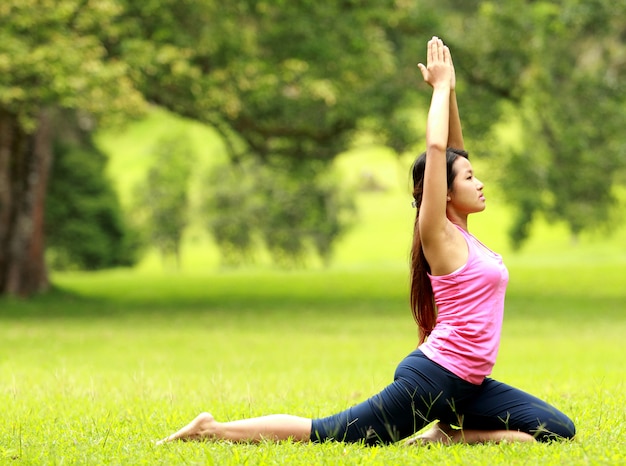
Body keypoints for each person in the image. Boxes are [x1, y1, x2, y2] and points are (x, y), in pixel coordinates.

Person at [157, 36, 576, 446]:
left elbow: (450, 148)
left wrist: (451, 94)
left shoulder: (465, 233)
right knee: (332, 432)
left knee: (559, 430)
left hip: (469, 385)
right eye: (469, 178)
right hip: (433, 379)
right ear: (444, 192)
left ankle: (444, 433)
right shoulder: (438, 234)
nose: (480, 182)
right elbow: (436, 147)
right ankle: (212, 429)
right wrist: (440, 87)